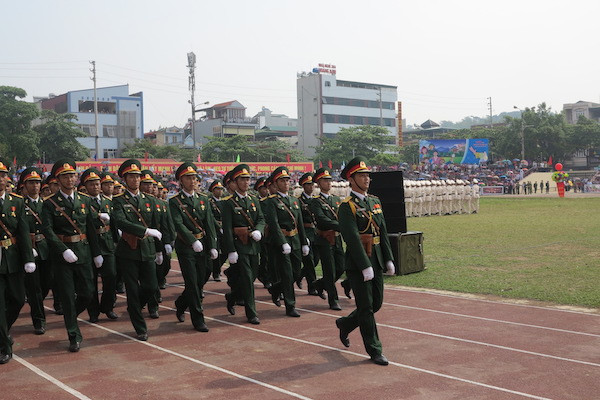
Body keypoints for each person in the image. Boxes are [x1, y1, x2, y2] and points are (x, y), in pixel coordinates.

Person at [334, 156, 395, 366]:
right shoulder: (346, 207)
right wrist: (364, 265)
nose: (367, 178)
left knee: (375, 304)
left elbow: (383, 232)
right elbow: (351, 239)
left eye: (368, 175)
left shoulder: (374, 201)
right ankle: (375, 350)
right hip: (359, 264)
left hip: (376, 259)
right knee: (366, 308)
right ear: (351, 179)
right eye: (362, 175)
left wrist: (388, 258)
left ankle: (345, 323)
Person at [41, 159, 102, 352]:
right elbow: (48, 231)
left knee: (87, 292)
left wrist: (97, 253)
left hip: (83, 252)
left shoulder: (84, 200)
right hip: (63, 256)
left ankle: (71, 315)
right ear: (58, 180)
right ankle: (73, 335)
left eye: (72, 175)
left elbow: (91, 229)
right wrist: (62, 250)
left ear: (76, 178)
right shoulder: (50, 204)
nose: (69, 179)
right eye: (65, 176)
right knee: (67, 296)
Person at [112, 159, 163, 341]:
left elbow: (156, 226)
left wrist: (158, 250)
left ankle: (134, 307)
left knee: (150, 287)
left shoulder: (149, 200)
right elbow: (120, 221)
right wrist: (145, 231)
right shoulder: (118, 201)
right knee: (132, 290)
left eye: (137, 176)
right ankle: (140, 327)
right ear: (125, 179)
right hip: (128, 251)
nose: (135, 180)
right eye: (131, 177)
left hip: (147, 249)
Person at [170, 163, 218, 332]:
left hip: (203, 244)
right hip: (186, 247)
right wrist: (192, 240)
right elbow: (178, 224)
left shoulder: (203, 199)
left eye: (194, 178)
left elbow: (209, 224)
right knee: (191, 282)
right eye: (188, 178)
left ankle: (182, 302)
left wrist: (212, 245)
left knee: (202, 278)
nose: (192, 181)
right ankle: (198, 319)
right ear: (180, 181)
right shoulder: (175, 202)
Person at [0, 160, 36, 364]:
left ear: (8, 179)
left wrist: (28, 258)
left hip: (12, 258)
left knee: (17, 299)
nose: (1, 179)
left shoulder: (16, 202)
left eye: (3, 175)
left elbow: (22, 232)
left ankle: (3, 330)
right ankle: (4, 345)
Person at [221, 164, 265, 324]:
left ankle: (232, 296)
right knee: (247, 278)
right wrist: (231, 250)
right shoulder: (228, 203)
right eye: (242, 179)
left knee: (252, 276)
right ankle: (251, 313)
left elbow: (261, 218)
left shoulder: (254, 200)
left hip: (253, 244)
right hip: (239, 245)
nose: (246, 182)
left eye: (248, 179)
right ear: (235, 181)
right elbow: (226, 228)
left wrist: (259, 230)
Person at [264, 166, 310, 317]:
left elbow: (300, 223)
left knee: (296, 272)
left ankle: (276, 289)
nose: (286, 183)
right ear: (276, 184)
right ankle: (290, 305)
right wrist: (282, 241)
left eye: (287, 180)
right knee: (287, 273)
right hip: (283, 241)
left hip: (295, 239)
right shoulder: (271, 201)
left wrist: (304, 242)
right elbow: (273, 224)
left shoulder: (294, 201)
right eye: (282, 181)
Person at [80, 168, 118, 323]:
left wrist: (116, 241)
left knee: (111, 276)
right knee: (91, 281)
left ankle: (107, 306)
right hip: (90, 244)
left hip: (107, 244)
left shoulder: (108, 202)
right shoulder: (82, 202)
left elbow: (114, 224)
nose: (95, 187)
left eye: (97, 184)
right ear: (85, 186)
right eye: (91, 184)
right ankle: (93, 311)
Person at [19, 167, 51, 335]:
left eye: (37, 182)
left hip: (46, 249)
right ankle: (39, 320)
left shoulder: (48, 203)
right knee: (34, 288)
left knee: (47, 284)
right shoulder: (19, 204)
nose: (35, 186)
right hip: (29, 251)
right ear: (24, 185)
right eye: (31, 183)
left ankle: (36, 302)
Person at [310, 168, 344, 310]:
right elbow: (322, 219)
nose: (328, 182)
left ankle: (320, 284)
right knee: (329, 270)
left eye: (329, 180)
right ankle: (333, 299)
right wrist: (342, 226)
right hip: (325, 239)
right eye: (325, 180)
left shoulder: (336, 199)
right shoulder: (316, 202)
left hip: (337, 238)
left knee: (341, 268)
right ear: (318, 183)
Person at [297, 172, 319, 296]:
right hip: (305, 233)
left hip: (315, 232)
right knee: (309, 261)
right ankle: (312, 286)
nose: (311, 187)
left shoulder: (315, 200)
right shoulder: (299, 201)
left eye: (312, 184)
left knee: (316, 259)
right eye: (308, 185)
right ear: (303, 186)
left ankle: (300, 275)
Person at [207, 180, 225, 282]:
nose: (220, 191)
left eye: (221, 189)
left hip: (224, 229)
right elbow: (211, 217)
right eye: (218, 189)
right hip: (215, 229)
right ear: (213, 190)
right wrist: (219, 227)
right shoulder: (210, 202)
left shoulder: (224, 202)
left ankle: (217, 267)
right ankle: (216, 272)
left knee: (226, 250)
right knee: (216, 250)